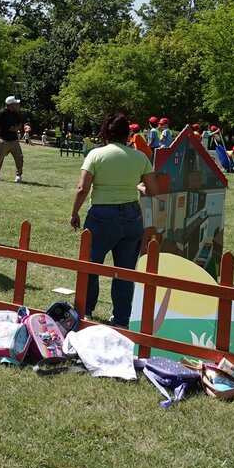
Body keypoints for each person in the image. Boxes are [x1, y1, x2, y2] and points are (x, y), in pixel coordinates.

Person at [70, 112, 158, 328]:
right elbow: (153, 190)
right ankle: (121, 319)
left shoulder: (95, 155)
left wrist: (74, 213)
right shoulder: (140, 157)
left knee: (91, 265)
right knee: (126, 271)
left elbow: (83, 188)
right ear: (127, 134)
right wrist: (135, 186)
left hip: (101, 215)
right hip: (131, 216)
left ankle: (87, 311)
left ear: (105, 133)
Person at [0, 95, 24, 182]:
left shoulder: (16, 113)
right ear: (10, 104)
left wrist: (16, 128)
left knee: (19, 158)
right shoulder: (2, 113)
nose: (16, 105)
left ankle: (18, 175)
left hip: (14, 140)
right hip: (4, 139)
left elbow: (20, 124)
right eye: (15, 104)